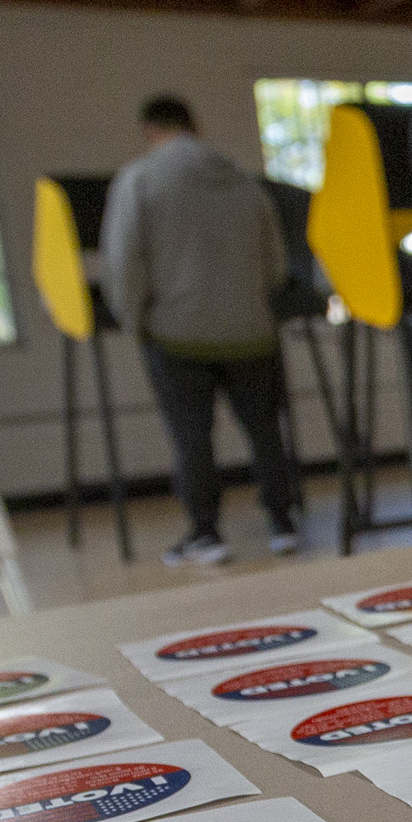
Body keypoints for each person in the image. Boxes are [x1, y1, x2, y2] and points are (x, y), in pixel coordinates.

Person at [101, 92, 301, 567]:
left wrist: (131, 317)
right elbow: (276, 263)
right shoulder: (245, 183)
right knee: (265, 429)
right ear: (196, 126)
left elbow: (124, 260)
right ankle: (282, 523)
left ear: (150, 131)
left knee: (191, 436)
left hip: (176, 332)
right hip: (252, 330)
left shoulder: (139, 180)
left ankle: (207, 534)